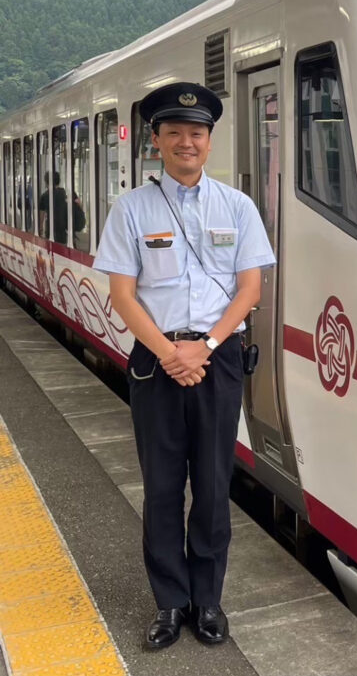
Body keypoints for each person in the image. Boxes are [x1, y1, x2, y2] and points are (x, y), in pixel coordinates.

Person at [93, 82, 276, 649]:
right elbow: (123, 295)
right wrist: (172, 354)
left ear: (210, 142)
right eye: (173, 132)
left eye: (196, 133)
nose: (186, 141)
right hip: (157, 361)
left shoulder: (237, 207)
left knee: (215, 484)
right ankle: (170, 603)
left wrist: (208, 344)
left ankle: (209, 600)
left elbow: (250, 289)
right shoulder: (131, 209)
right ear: (156, 140)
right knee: (163, 488)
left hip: (217, 360)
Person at [39, 171, 69, 244]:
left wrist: (40, 229)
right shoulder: (64, 193)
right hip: (63, 230)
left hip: (50, 230)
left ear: (47, 182)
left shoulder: (45, 196)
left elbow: (41, 215)